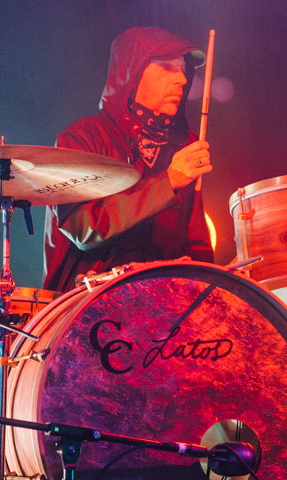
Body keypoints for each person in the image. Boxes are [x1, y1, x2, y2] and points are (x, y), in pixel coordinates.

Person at [43, 26, 213, 292]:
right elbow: (84, 228)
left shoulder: (182, 148)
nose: (181, 79)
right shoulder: (81, 138)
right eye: (168, 67)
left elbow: (196, 247)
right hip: (87, 309)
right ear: (131, 74)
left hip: (164, 306)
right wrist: (167, 182)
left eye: (183, 69)